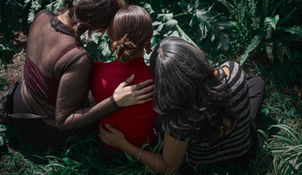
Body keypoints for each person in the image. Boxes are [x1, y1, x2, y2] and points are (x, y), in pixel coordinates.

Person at [12, 0, 154, 149]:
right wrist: (115, 102)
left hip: (19, 102)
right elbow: (63, 121)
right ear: (100, 26)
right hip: (44, 129)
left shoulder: (42, 16)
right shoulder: (77, 57)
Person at [99, 37, 265, 174]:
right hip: (244, 149)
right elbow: (211, 83)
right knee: (256, 83)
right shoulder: (234, 71)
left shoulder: (178, 120)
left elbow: (168, 169)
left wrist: (123, 144)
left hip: (204, 163)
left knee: (158, 124)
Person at [90, 5, 157, 160]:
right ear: (149, 40)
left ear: (109, 34)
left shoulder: (98, 72)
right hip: (145, 147)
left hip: (107, 148)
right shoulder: (155, 77)